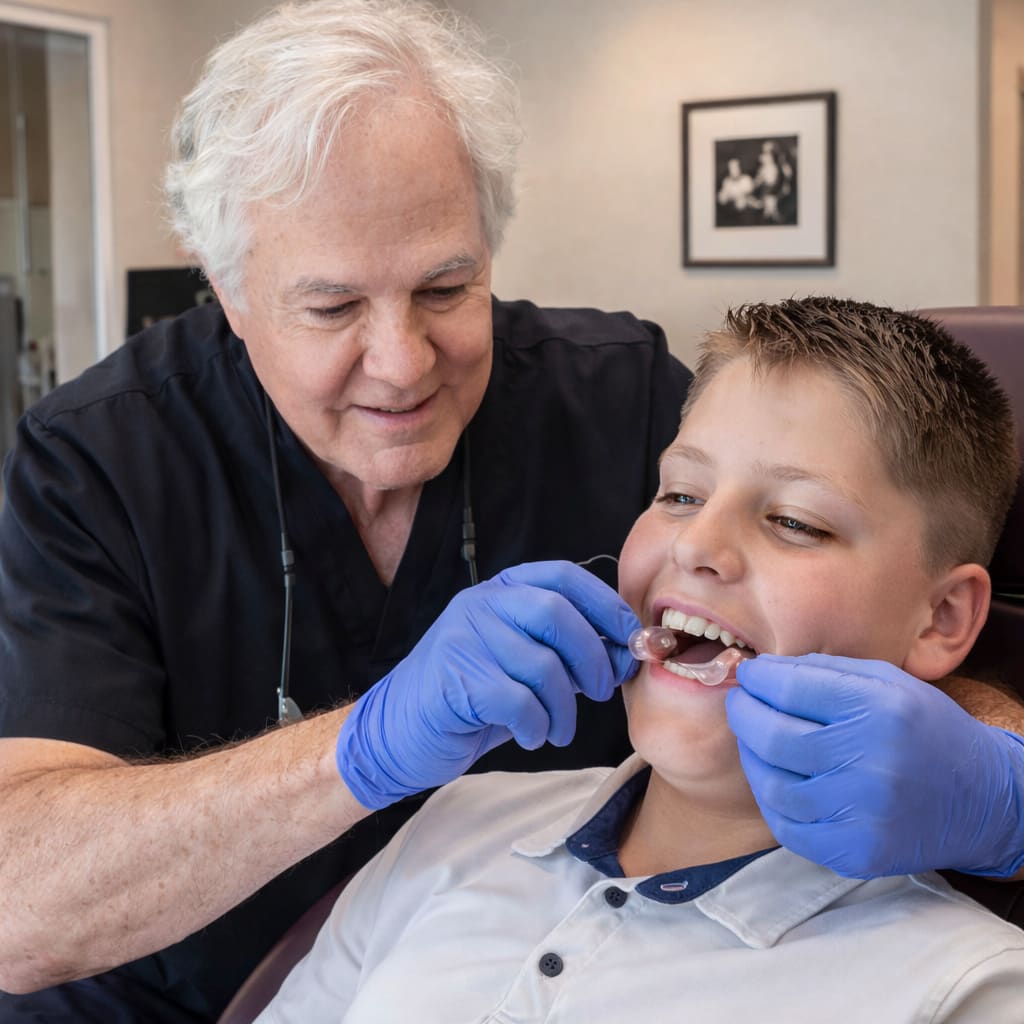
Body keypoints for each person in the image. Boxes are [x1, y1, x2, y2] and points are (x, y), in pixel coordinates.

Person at [0, 2, 1022, 1021]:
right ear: (228, 290)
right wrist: (365, 745)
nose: (402, 364)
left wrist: (1002, 791)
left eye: (448, 287)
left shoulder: (616, 396)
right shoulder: (98, 458)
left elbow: (879, 607)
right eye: (333, 307)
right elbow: (18, 906)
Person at [257, 298, 1024, 1022]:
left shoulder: (963, 986)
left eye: (794, 520)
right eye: (681, 494)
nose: (695, 545)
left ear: (943, 618)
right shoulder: (457, 827)